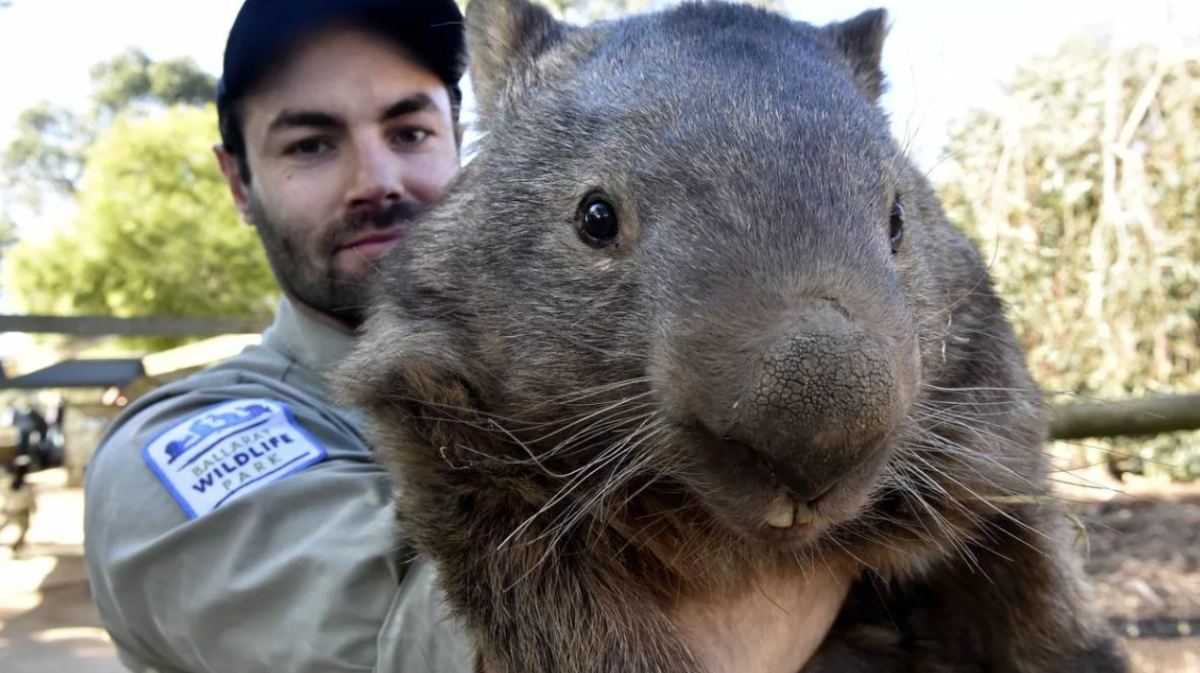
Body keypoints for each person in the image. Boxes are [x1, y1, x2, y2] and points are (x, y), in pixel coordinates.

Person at [82, 1, 851, 672]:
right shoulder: (171, 454)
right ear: (238, 182)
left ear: (469, 144)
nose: (377, 177)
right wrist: (870, 522)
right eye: (311, 144)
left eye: (410, 130)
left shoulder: (579, 356)